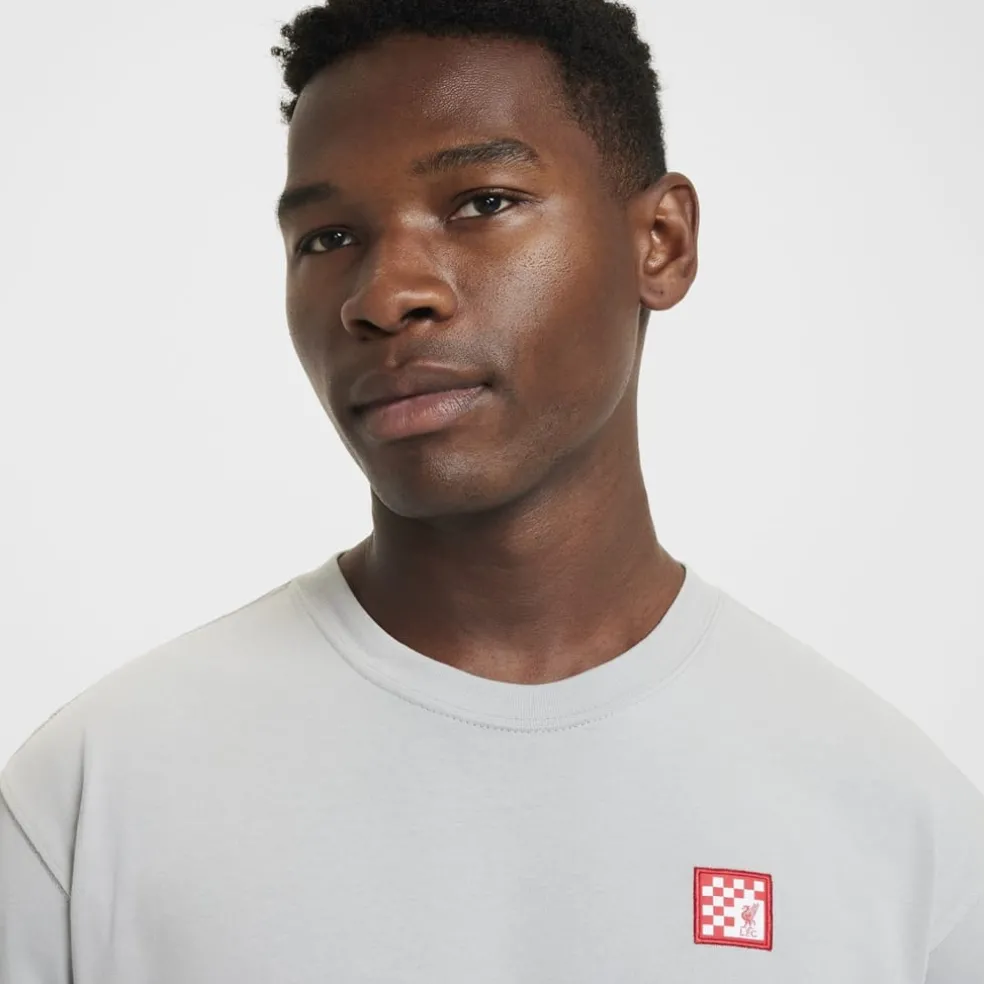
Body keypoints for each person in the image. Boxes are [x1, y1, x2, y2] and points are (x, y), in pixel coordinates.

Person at [1, 0, 982, 979]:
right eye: (327, 238)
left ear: (663, 241)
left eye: (482, 203)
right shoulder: (98, 795)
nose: (385, 296)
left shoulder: (898, 828)